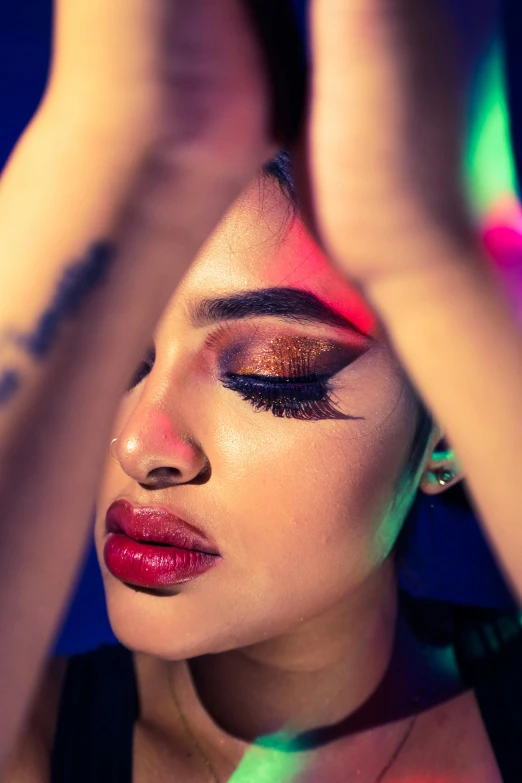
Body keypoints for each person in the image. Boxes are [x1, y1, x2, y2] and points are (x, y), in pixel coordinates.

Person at [0, 0, 521, 781]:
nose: (141, 441)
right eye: (115, 358)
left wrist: (421, 247)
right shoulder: (34, 740)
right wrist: (102, 119)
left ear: (445, 428)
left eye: (272, 367)